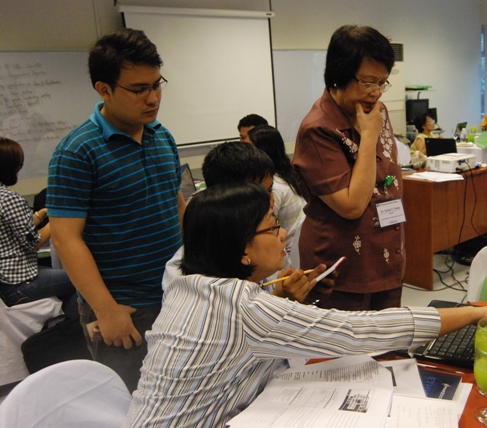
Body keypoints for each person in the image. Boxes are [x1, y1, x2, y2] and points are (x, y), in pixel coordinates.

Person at [124, 182, 487, 428]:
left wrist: (279, 301)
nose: (284, 235)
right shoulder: (243, 305)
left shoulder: (187, 283)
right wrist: (475, 312)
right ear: (242, 250)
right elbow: (359, 331)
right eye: (273, 226)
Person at [46, 28, 185, 392]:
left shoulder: (161, 136)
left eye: (156, 85)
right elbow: (65, 239)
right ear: (103, 89)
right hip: (125, 308)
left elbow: (175, 203)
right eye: (139, 89)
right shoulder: (77, 151)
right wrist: (106, 311)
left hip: (176, 295)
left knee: (181, 396)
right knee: (132, 401)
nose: (152, 98)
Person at [292, 25, 403, 311]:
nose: (376, 92)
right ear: (339, 76)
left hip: (386, 254)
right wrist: (369, 137)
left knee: (390, 336)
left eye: (382, 82)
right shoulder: (318, 128)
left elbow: (386, 179)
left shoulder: (376, 111)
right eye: (368, 82)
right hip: (341, 268)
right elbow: (352, 206)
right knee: (347, 340)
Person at [163, 141, 331, 304]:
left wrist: (302, 290)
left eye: (270, 190)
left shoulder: (267, 238)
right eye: (257, 193)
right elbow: (229, 319)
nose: (270, 201)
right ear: (224, 196)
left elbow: (279, 285)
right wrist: (279, 299)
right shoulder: (185, 273)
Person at [0, 138, 78, 318]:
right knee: (84, 280)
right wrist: (58, 217)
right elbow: (34, 243)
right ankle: (72, 329)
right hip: (20, 283)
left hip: (7, 282)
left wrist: (41, 214)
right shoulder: (8, 198)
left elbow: (15, 229)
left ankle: (67, 325)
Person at [248, 125, 305, 256]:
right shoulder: (288, 172)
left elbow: (264, 227)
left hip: (288, 248)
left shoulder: (274, 186)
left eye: (250, 148)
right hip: (298, 242)